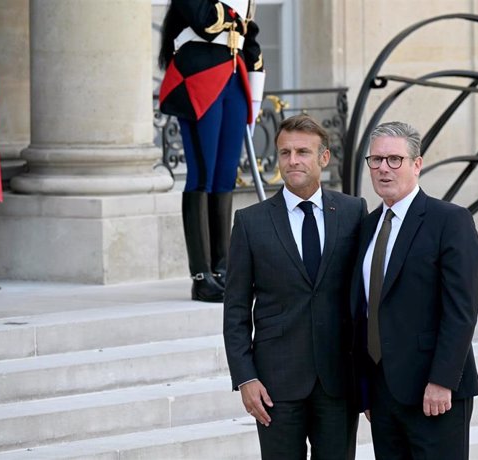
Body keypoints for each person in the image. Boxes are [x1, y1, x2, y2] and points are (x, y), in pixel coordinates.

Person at [223, 114, 366, 459]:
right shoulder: (250, 222)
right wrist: (245, 378)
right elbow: (236, 310)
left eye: (303, 152)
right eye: (285, 153)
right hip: (275, 382)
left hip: (337, 380)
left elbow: (364, 298)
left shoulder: (352, 211)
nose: (293, 161)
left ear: (324, 158)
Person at [352, 121, 478, 459]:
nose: (383, 168)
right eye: (376, 160)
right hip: (383, 394)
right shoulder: (367, 227)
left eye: (395, 159)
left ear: (417, 164)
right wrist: (367, 391)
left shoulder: (450, 221)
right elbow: (364, 311)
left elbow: (461, 311)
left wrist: (442, 381)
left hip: (434, 392)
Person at [158, 0, 265, 302]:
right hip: (200, 77)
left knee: (225, 175)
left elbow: (249, 35)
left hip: (234, 78)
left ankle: (223, 268)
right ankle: (200, 275)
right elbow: (205, 20)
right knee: (202, 174)